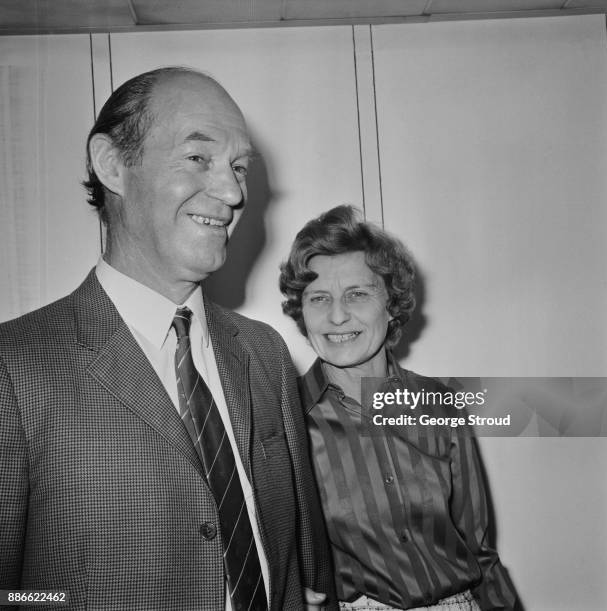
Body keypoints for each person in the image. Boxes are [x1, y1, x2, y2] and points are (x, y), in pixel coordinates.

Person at [0, 67, 335, 610]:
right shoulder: (14, 367)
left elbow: (299, 563)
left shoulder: (265, 353)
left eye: (238, 167)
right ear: (113, 165)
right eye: (199, 158)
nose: (231, 192)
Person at [279, 206, 518, 611]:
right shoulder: (281, 419)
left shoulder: (439, 406)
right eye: (319, 298)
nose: (337, 316)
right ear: (302, 312)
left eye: (357, 294)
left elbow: (479, 552)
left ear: (391, 306)